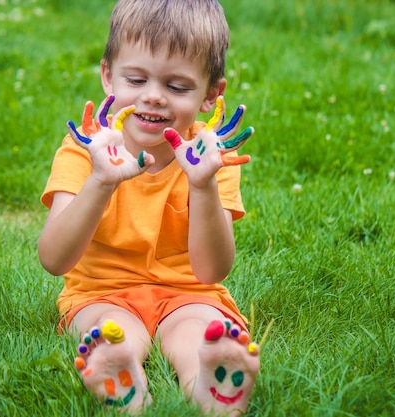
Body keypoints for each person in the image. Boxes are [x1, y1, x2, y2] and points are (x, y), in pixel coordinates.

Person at [38, 0, 260, 415]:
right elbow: (53, 259)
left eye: (177, 87)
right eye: (137, 79)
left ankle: (214, 384)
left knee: (197, 331)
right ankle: (120, 376)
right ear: (108, 76)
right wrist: (101, 181)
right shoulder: (84, 151)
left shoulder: (210, 159)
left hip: (190, 293)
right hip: (100, 293)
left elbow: (211, 271)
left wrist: (204, 185)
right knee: (110, 331)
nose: (154, 97)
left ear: (212, 94)